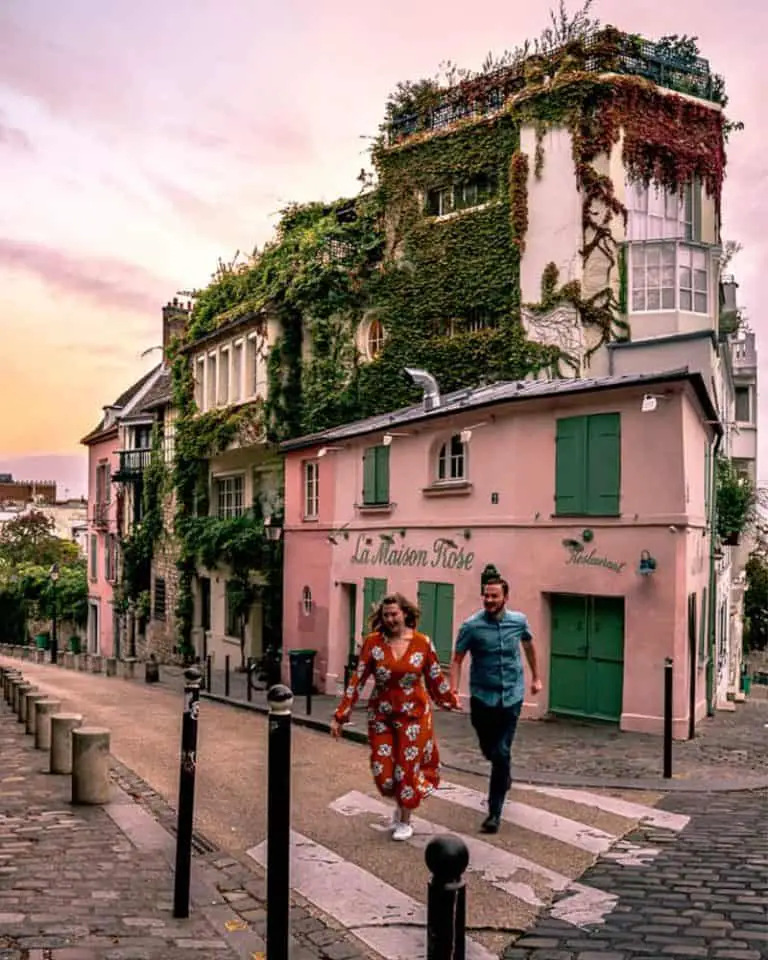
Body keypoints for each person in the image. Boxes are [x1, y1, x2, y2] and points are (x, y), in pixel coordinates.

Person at [330, 592, 460, 841]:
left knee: (406, 771)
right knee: (384, 774)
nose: (390, 619)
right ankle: (400, 803)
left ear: (405, 614)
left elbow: (434, 676)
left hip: (414, 717)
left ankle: (405, 819)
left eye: (394, 614)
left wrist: (449, 700)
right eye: (386, 615)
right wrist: (340, 715)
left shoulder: (422, 643)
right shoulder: (373, 643)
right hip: (382, 716)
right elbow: (357, 680)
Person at [449, 576, 541, 834]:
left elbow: (529, 645)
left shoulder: (518, 621)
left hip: (511, 695)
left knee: (501, 752)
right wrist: (454, 690)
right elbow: (456, 659)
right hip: (482, 697)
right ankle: (505, 773)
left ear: (505, 598)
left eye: (494, 596)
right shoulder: (471, 626)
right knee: (490, 751)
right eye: (486, 596)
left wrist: (536, 677)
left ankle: (494, 813)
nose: (489, 600)